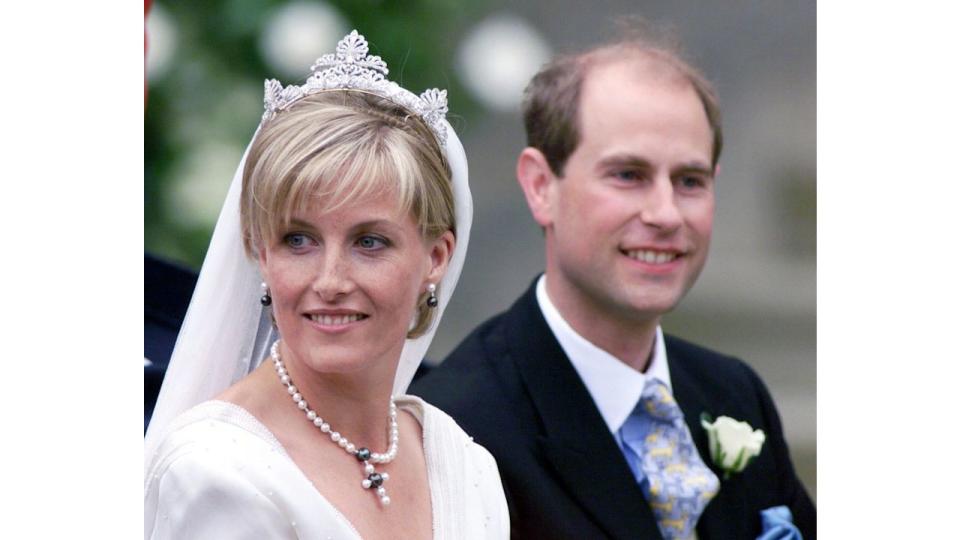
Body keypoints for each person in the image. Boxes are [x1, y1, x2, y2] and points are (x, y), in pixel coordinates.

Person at [411, 30, 816, 539]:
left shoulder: (735, 393)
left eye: (690, 181)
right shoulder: (459, 425)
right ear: (541, 186)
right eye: (628, 175)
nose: (666, 214)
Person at [144, 30, 509, 539]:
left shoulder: (463, 464)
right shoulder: (215, 469)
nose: (331, 281)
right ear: (260, 252)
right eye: (299, 240)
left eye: (370, 242)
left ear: (436, 256)